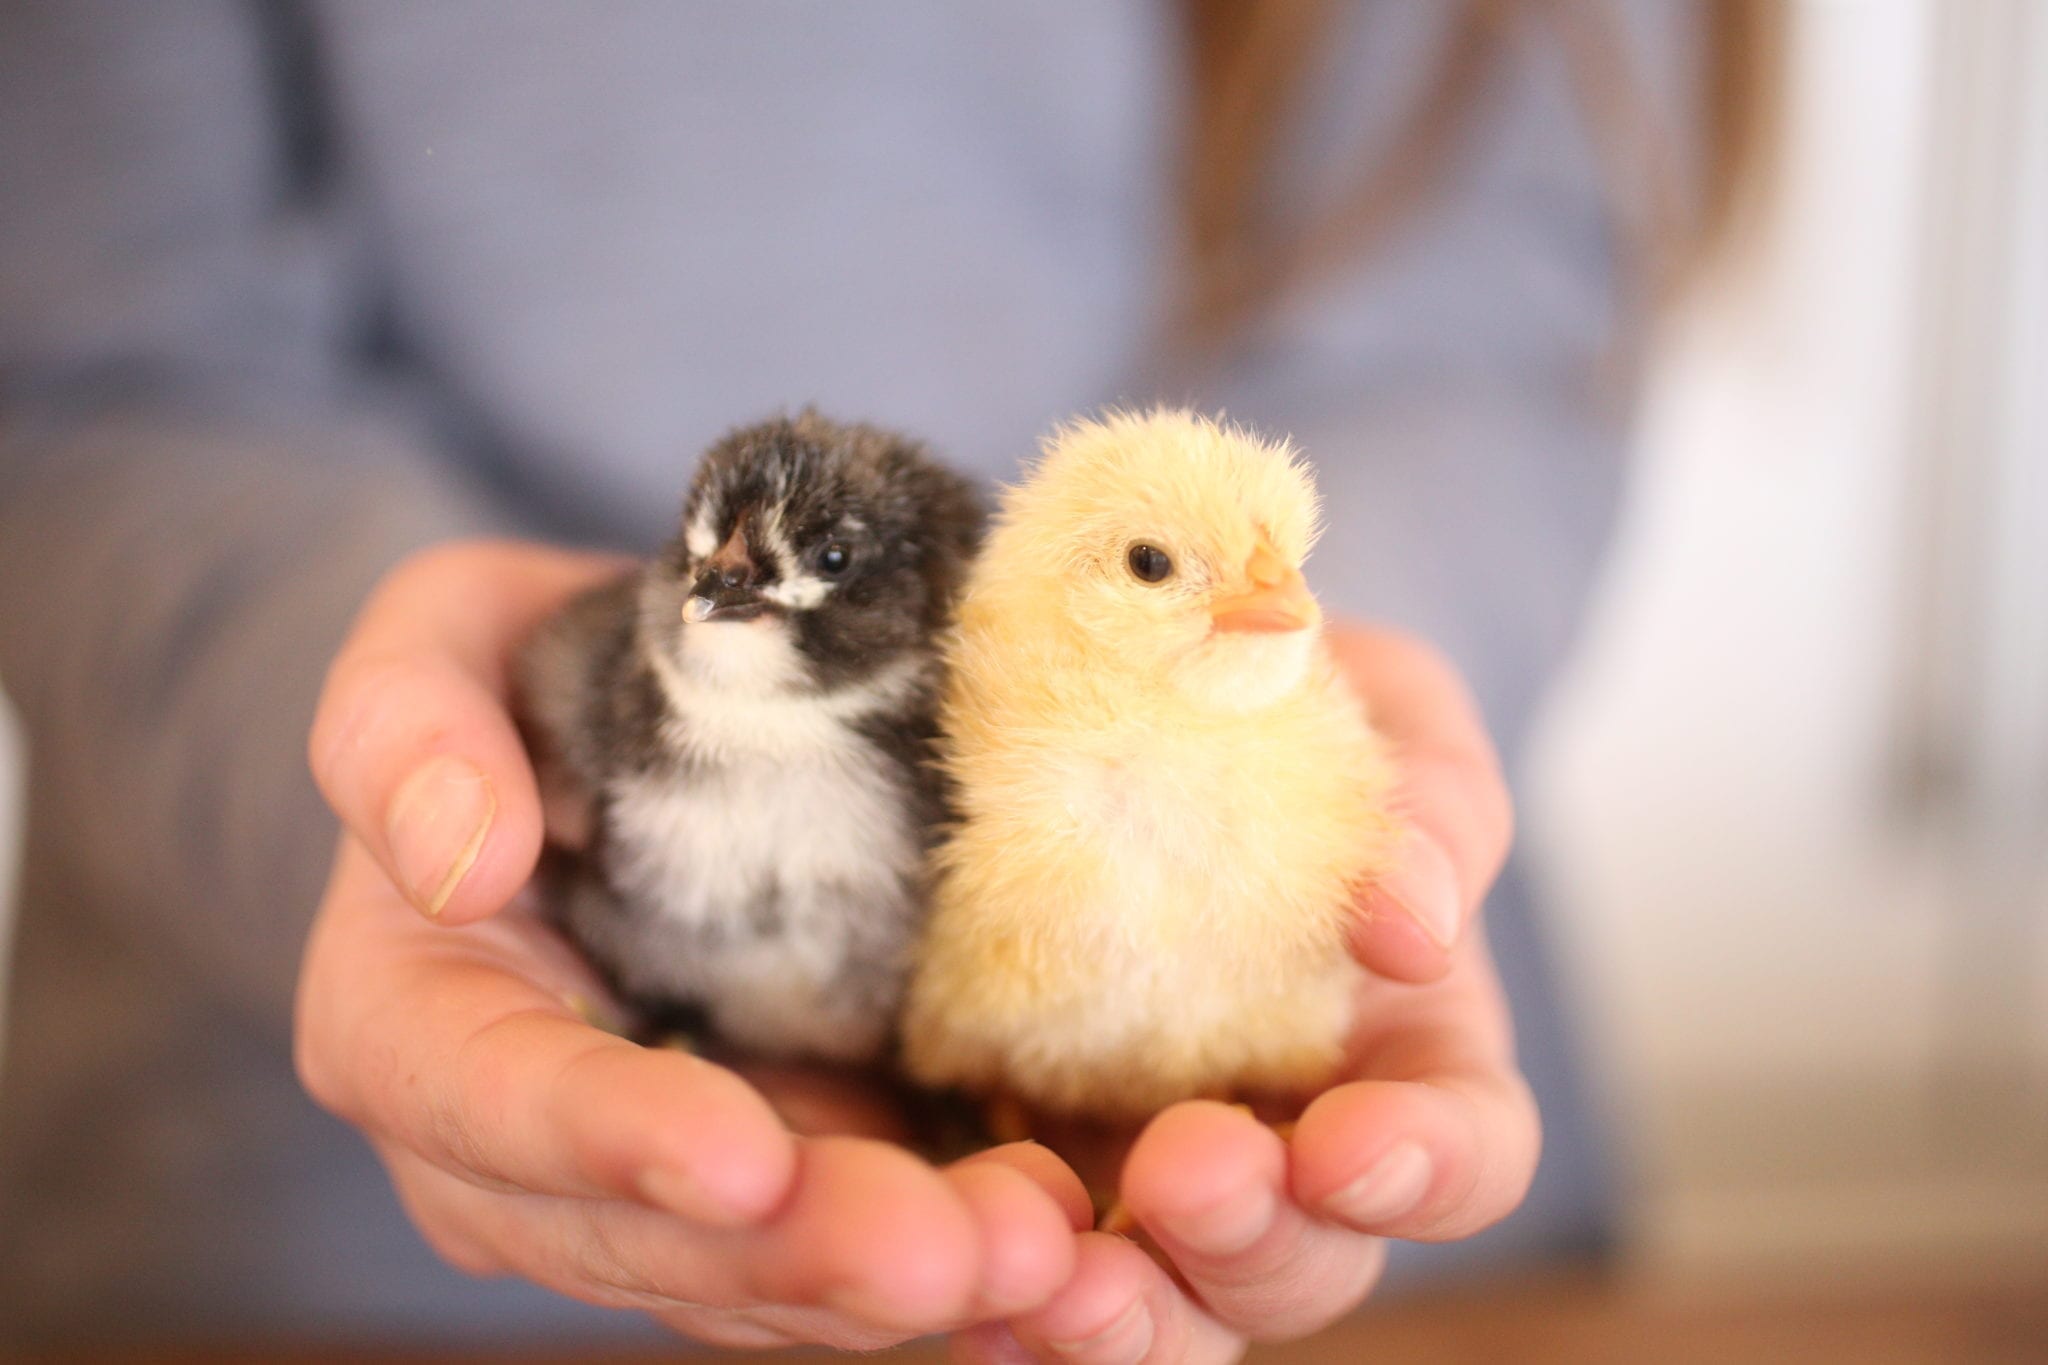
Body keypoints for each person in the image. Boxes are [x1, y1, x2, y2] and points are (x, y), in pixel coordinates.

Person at [0, 2, 1771, 1356]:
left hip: (1362, 1227)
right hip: (279, 1248)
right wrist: (389, 784)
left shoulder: (1062, 739)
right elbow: (103, 359)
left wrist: (1347, 681)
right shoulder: (752, 735)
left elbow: (1484, 324)